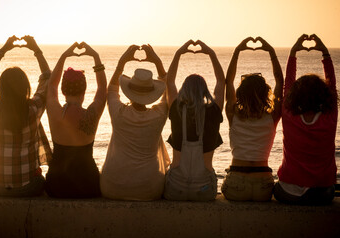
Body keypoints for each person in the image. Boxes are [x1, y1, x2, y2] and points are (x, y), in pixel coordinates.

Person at [0, 36, 52, 197]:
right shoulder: (33, 110)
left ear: (2, 88)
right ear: (25, 88)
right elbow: (48, 77)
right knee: (44, 182)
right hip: (28, 187)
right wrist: (36, 50)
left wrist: (3, 50)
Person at [100, 44, 170, 201]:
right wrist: (157, 62)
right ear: (152, 93)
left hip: (112, 186)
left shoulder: (118, 113)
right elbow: (169, 95)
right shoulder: (158, 116)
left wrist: (122, 62)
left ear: (129, 92)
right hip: (149, 188)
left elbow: (111, 89)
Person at [274, 34, 338, 205]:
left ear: (295, 96)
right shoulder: (330, 117)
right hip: (322, 193)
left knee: (275, 188)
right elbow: (332, 85)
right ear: (324, 96)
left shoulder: (289, 115)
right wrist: (324, 52)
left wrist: (294, 52)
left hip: (289, 192)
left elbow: (288, 84)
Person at [221, 37, 283, 201]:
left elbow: (228, 82)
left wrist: (237, 52)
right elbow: (279, 81)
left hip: (236, 182)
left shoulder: (233, 114)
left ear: (240, 94)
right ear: (265, 93)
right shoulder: (273, 116)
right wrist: (271, 51)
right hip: (263, 184)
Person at [164, 40, 225, 201]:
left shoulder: (177, 108)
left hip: (176, 188)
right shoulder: (213, 111)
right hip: (204, 189)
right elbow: (221, 82)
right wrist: (211, 53)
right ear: (205, 91)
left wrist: (178, 53)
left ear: (183, 89)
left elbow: (169, 82)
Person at [45, 42, 107, 198]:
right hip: (88, 184)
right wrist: (95, 56)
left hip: (56, 184)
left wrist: (64, 56)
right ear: (84, 89)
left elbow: (51, 85)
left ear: (63, 89)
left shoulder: (55, 112)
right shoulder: (92, 114)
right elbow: (102, 88)